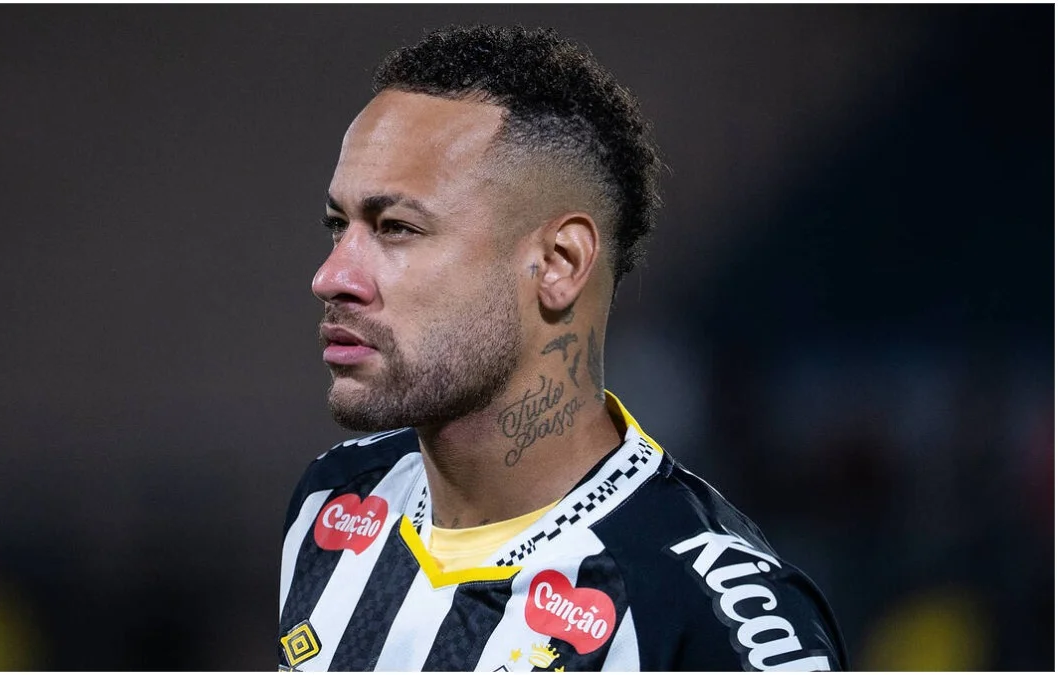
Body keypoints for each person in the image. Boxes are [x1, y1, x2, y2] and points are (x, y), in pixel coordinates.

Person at [279, 24, 847, 672]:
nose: (332, 276)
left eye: (397, 228)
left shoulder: (710, 620)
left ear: (559, 262)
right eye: (338, 225)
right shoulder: (334, 501)